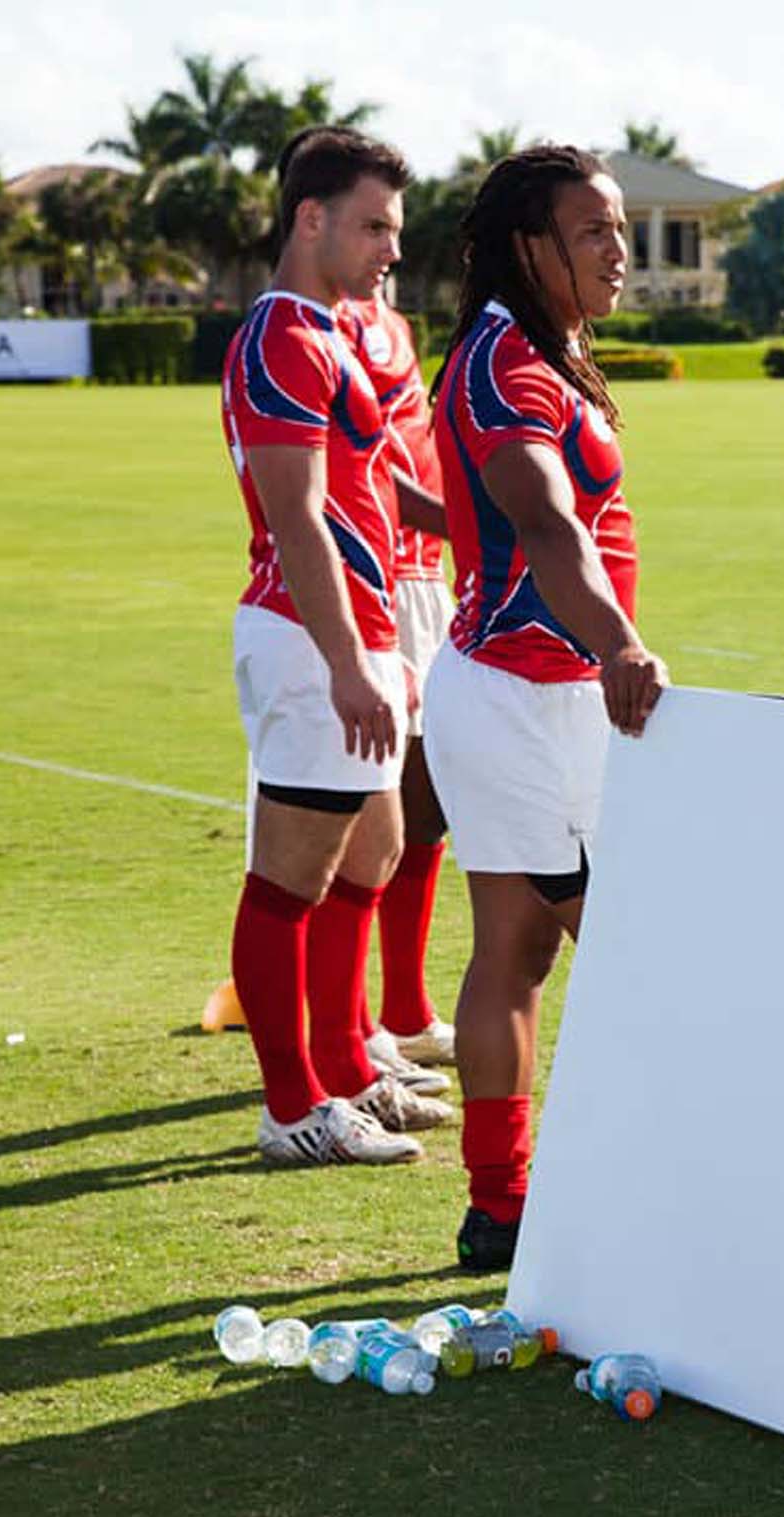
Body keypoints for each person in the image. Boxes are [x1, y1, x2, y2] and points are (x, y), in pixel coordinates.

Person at [427, 145, 667, 1269]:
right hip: (539, 700)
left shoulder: (523, 350)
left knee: (513, 954)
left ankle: (501, 1208)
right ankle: (631, 1183)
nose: (617, 250)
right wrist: (618, 640)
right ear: (531, 246)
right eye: (592, 232)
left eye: (620, 228)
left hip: (518, 692)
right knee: (633, 952)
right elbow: (545, 523)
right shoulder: (509, 365)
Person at [221, 128, 456, 1166]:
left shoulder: (329, 332)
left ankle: (350, 1068)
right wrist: (352, 659)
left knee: (377, 849)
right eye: (373, 226)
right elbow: (299, 515)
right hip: (310, 637)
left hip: (357, 633)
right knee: (289, 880)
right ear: (308, 219)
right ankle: (292, 1109)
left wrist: (476, 531)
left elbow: (371, 487)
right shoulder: (280, 336)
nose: (389, 251)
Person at [337, 287, 458, 1077]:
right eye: (374, 225)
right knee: (358, 827)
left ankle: (405, 1010)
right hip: (376, 587)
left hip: (428, 586)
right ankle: (350, 1030)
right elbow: (366, 470)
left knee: (425, 806)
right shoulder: (325, 325)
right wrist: (472, 521)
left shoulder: (395, 324)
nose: (391, 251)